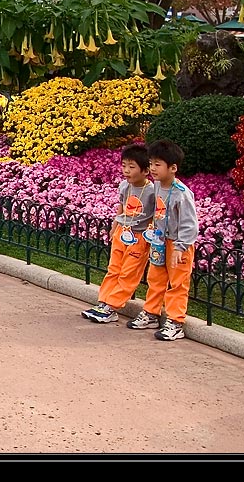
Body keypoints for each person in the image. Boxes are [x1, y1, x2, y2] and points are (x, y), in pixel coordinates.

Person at [126, 139, 199, 341]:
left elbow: (189, 224)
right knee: (156, 278)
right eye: (151, 163)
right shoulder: (157, 185)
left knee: (178, 283)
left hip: (177, 244)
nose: (152, 168)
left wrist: (180, 247)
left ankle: (175, 321)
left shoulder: (182, 194)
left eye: (157, 164)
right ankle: (151, 313)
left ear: (173, 168)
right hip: (159, 241)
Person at [82, 143, 155, 323]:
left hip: (139, 236)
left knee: (128, 273)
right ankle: (103, 302)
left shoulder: (152, 191)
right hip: (122, 232)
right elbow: (121, 207)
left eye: (132, 167)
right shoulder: (124, 186)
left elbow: (156, 215)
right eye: (124, 166)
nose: (126, 171)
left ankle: (112, 306)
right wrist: (115, 226)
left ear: (146, 171)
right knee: (113, 268)